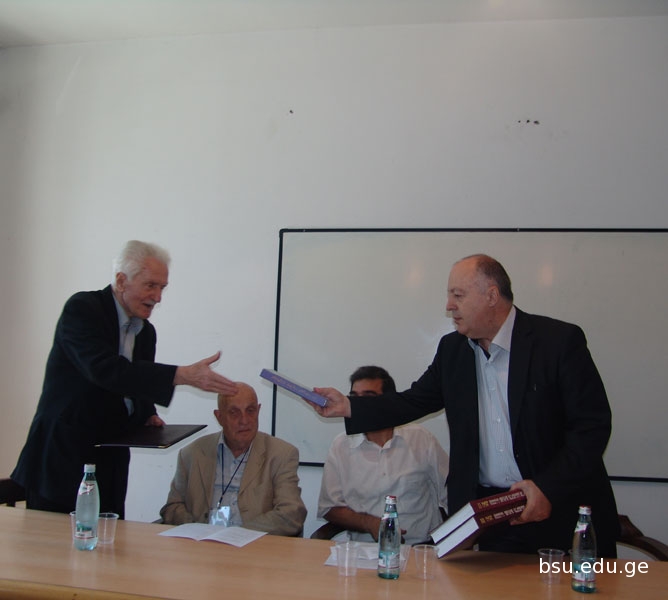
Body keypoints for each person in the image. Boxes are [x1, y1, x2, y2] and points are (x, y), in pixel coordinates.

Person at [309, 254, 620, 557]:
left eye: (458, 295)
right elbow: (412, 401)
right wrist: (349, 407)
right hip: (494, 516)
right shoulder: (453, 350)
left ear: (491, 296)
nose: (449, 305)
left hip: (560, 506)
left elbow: (591, 427)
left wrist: (547, 487)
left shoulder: (557, 341)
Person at [11, 240, 238, 518]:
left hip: (110, 463)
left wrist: (146, 413)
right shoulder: (82, 309)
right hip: (61, 461)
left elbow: (134, 385)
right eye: (151, 285)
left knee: (108, 539)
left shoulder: (146, 332)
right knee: (53, 544)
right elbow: (105, 370)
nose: (158, 297)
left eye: (162, 287)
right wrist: (181, 375)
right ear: (121, 281)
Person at [317, 366, 448, 546]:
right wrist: (368, 523)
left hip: (420, 547)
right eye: (354, 397)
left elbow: (450, 492)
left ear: (389, 402)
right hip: (364, 549)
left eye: (368, 397)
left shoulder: (421, 438)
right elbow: (329, 508)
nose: (360, 405)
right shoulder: (341, 445)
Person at [160, 382, 307, 536]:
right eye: (234, 412)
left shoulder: (281, 454)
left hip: (254, 543)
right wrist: (197, 530)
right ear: (219, 417)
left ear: (258, 411)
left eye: (250, 411)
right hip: (202, 543)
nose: (244, 420)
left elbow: (291, 513)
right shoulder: (192, 454)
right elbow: (172, 507)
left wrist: (237, 534)